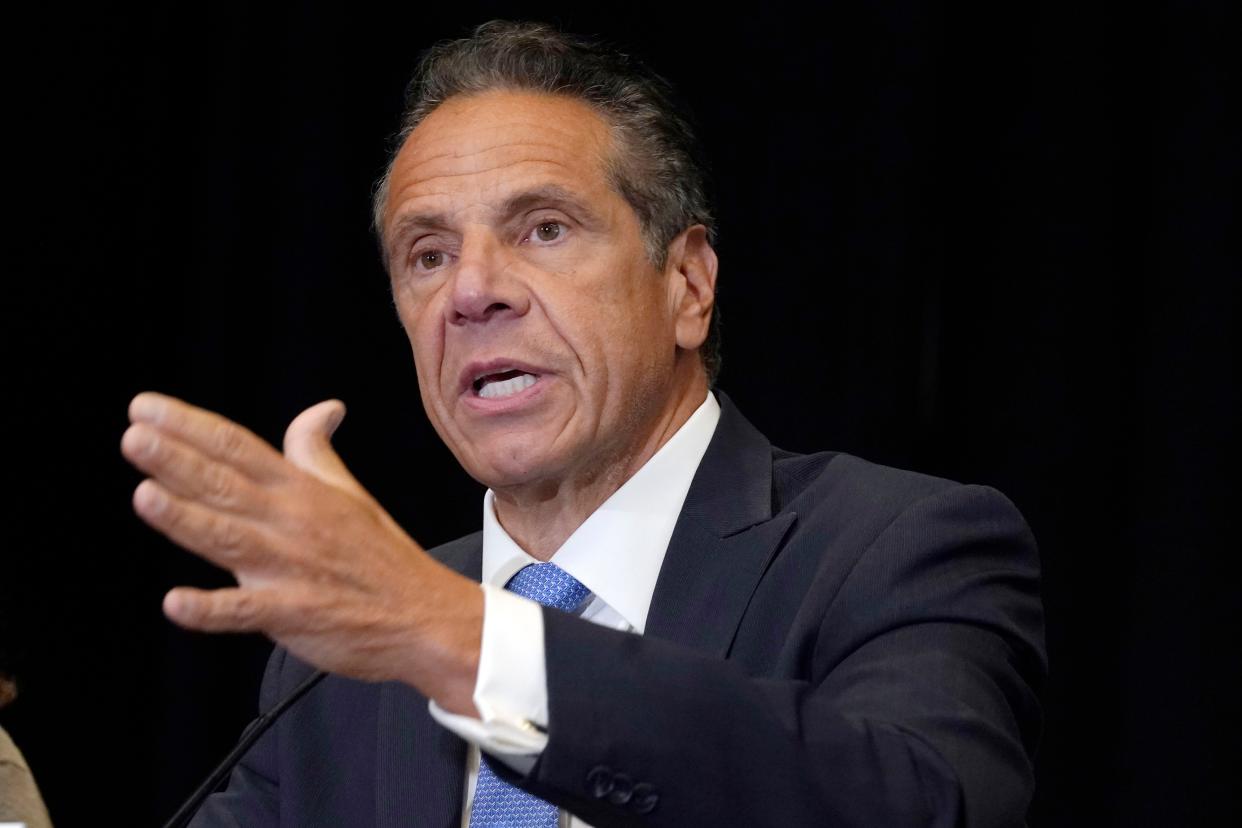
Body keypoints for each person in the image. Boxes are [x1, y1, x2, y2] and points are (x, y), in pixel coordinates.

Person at [121, 21, 1046, 827]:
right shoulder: (342, 656)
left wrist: (458, 636)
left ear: (688, 286)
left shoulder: (893, 550)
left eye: (544, 229)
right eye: (428, 253)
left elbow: (918, 805)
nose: (471, 291)